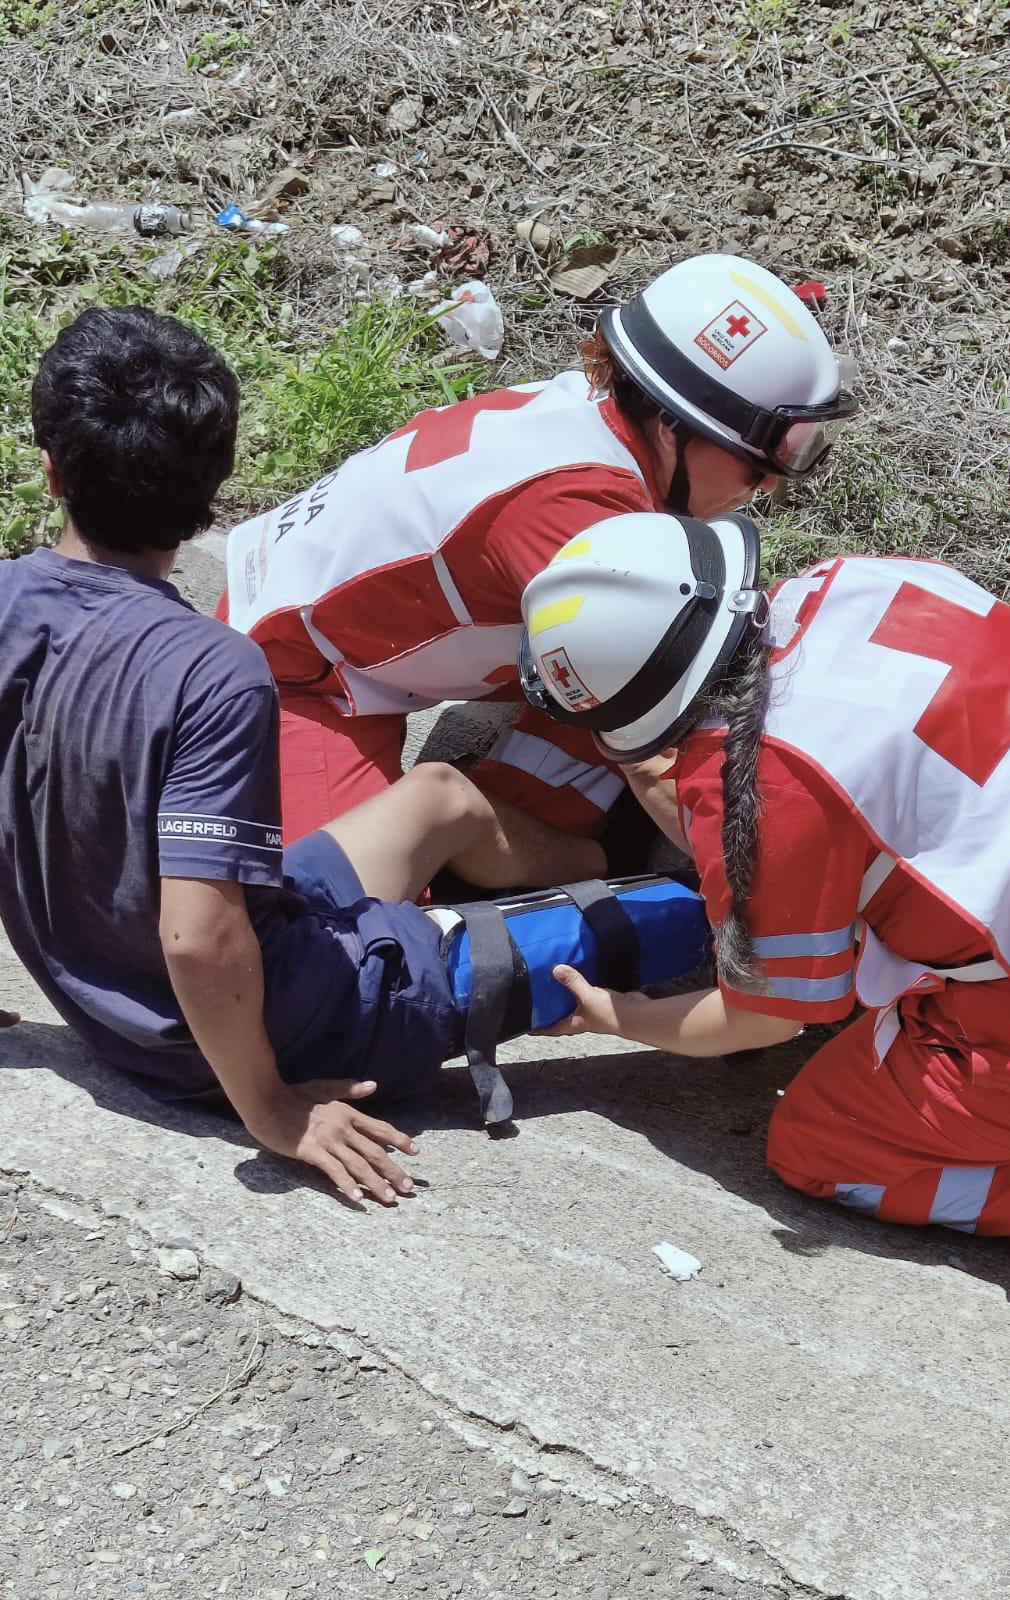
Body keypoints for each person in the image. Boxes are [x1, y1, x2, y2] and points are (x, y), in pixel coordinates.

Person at [0, 309, 709, 1206]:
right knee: (647, 933)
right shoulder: (214, 669)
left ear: (51, 465)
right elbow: (199, 937)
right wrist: (269, 1110)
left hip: (151, 985)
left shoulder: (9, 601)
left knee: (438, 795)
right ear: (217, 481)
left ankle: (604, 859)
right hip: (261, 1029)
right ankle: (716, 912)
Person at [517, 511, 1010, 1297]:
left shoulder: (761, 782)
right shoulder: (865, 581)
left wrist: (621, 1018)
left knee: (817, 1150)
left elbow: (764, 1018)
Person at [220, 253, 859, 863]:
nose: (770, 483)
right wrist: (767, 885)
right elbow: (658, 771)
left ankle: (504, 832)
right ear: (671, 425)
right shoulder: (574, 517)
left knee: (659, 663)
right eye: (758, 458)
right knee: (346, 931)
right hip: (290, 675)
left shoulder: (590, 411)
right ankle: (537, 861)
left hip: (302, 590)